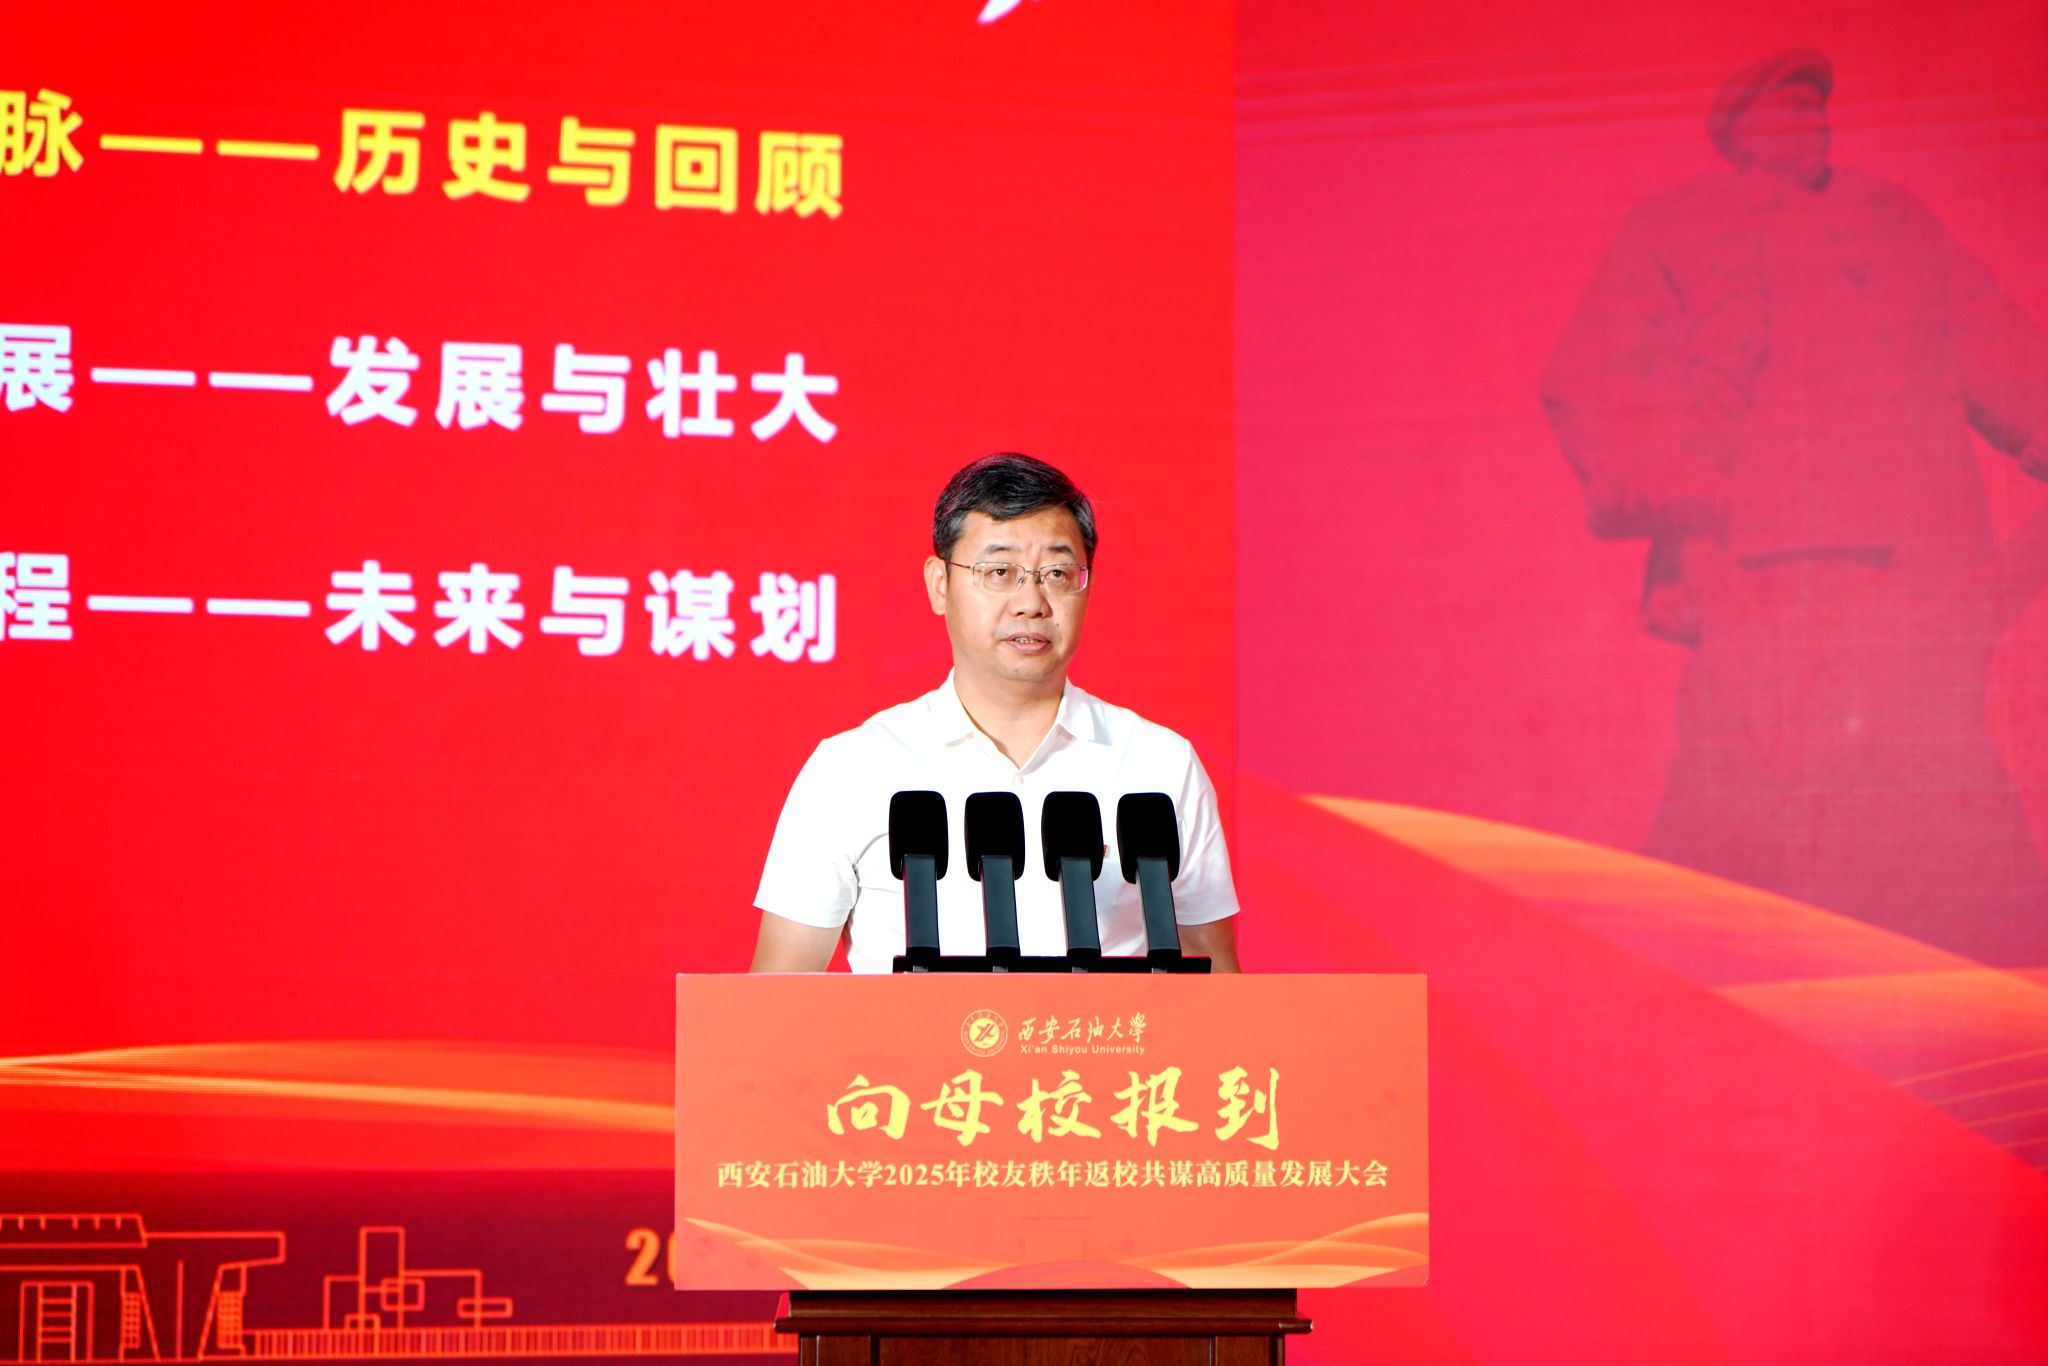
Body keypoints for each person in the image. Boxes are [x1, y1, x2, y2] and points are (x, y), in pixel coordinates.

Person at [1541, 51, 2048, 962]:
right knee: (1740, 790)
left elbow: (1985, 331)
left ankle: (1994, 991)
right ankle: (1685, 988)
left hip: (1906, 559)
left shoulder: (1891, 217)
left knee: (1941, 782)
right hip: (1750, 567)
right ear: (1741, 132)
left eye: (1821, 109)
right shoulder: (1676, 224)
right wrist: (1661, 478)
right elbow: (1588, 374)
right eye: (1793, 110)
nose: (1817, 124)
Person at [748, 453, 1242, 972]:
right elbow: (778, 993)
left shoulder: (1160, 765)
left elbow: (1216, 984)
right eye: (1000, 572)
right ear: (940, 584)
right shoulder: (851, 768)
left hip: (1108, 1031)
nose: (1031, 602)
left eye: (1057, 573)